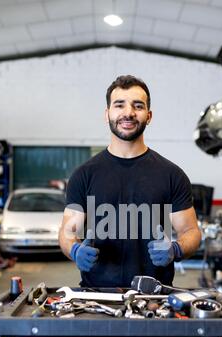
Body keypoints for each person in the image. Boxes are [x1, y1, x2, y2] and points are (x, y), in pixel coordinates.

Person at [59, 75, 201, 287]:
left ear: (149, 115)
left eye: (138, 106)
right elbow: (67, 232)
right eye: (119, 105)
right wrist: (75, 249)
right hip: (97, 298)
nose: (128, 113)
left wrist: (176, 249)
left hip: (154, 298)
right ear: (107, 114)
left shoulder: (172, 175)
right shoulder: (84, 175)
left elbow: (191, 232)